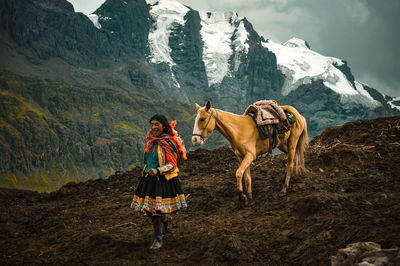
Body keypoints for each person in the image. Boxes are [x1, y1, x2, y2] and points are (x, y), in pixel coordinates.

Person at [131, 114, 187, 250]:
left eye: (157, 124)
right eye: (152, 125)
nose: (154, 127)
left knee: (156, 211)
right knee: (153, 211)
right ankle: (163, 224)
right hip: (149, 180)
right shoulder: (150, 140)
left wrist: (158, 170)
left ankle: (158, 239)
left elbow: (172, 164)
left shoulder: (168, 142)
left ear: (163, 125)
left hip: (163, 181)